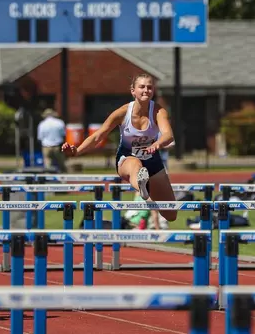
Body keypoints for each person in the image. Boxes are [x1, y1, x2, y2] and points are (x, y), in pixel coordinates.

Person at [61, 73, 177, 222]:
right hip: (127, 159)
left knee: (170, 214)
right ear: (133, 91)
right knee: (136, 165)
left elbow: (169, 135)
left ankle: (145, 186)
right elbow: (98, 136)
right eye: (142, 87)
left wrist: (157, 144)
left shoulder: (158, 111)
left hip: (152, 160)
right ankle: (143, 187)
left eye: (149, 87)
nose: (146, 90)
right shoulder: (122, 113)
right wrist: (76, 151)